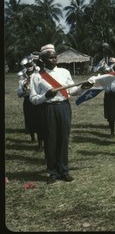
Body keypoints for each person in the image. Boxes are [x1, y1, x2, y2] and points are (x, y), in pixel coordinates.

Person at [29, 44, 93, 184]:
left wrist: (83, 88)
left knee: (64, 139)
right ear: (43, 59)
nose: (54, 59)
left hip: (64, 107)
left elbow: (72, 91)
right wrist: (45, 96)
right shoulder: (36, 76)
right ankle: (52, 172)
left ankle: (64, 171)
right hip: (48, 109)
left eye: (55, 57)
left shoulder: (64, 72)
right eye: (51, 57)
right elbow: (33, 99)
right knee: (51, 140)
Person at [17, 57, 43, 151]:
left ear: (33, 65)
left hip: (38, 99)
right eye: (26, 66)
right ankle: (32, 138)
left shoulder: (38, 74)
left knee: (40, 122)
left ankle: (40, 144)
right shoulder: (22, 78)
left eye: (30, 65)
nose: (29, 67)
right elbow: (19, 93)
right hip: (28, 100)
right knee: (29, 120)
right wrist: (24, 90)